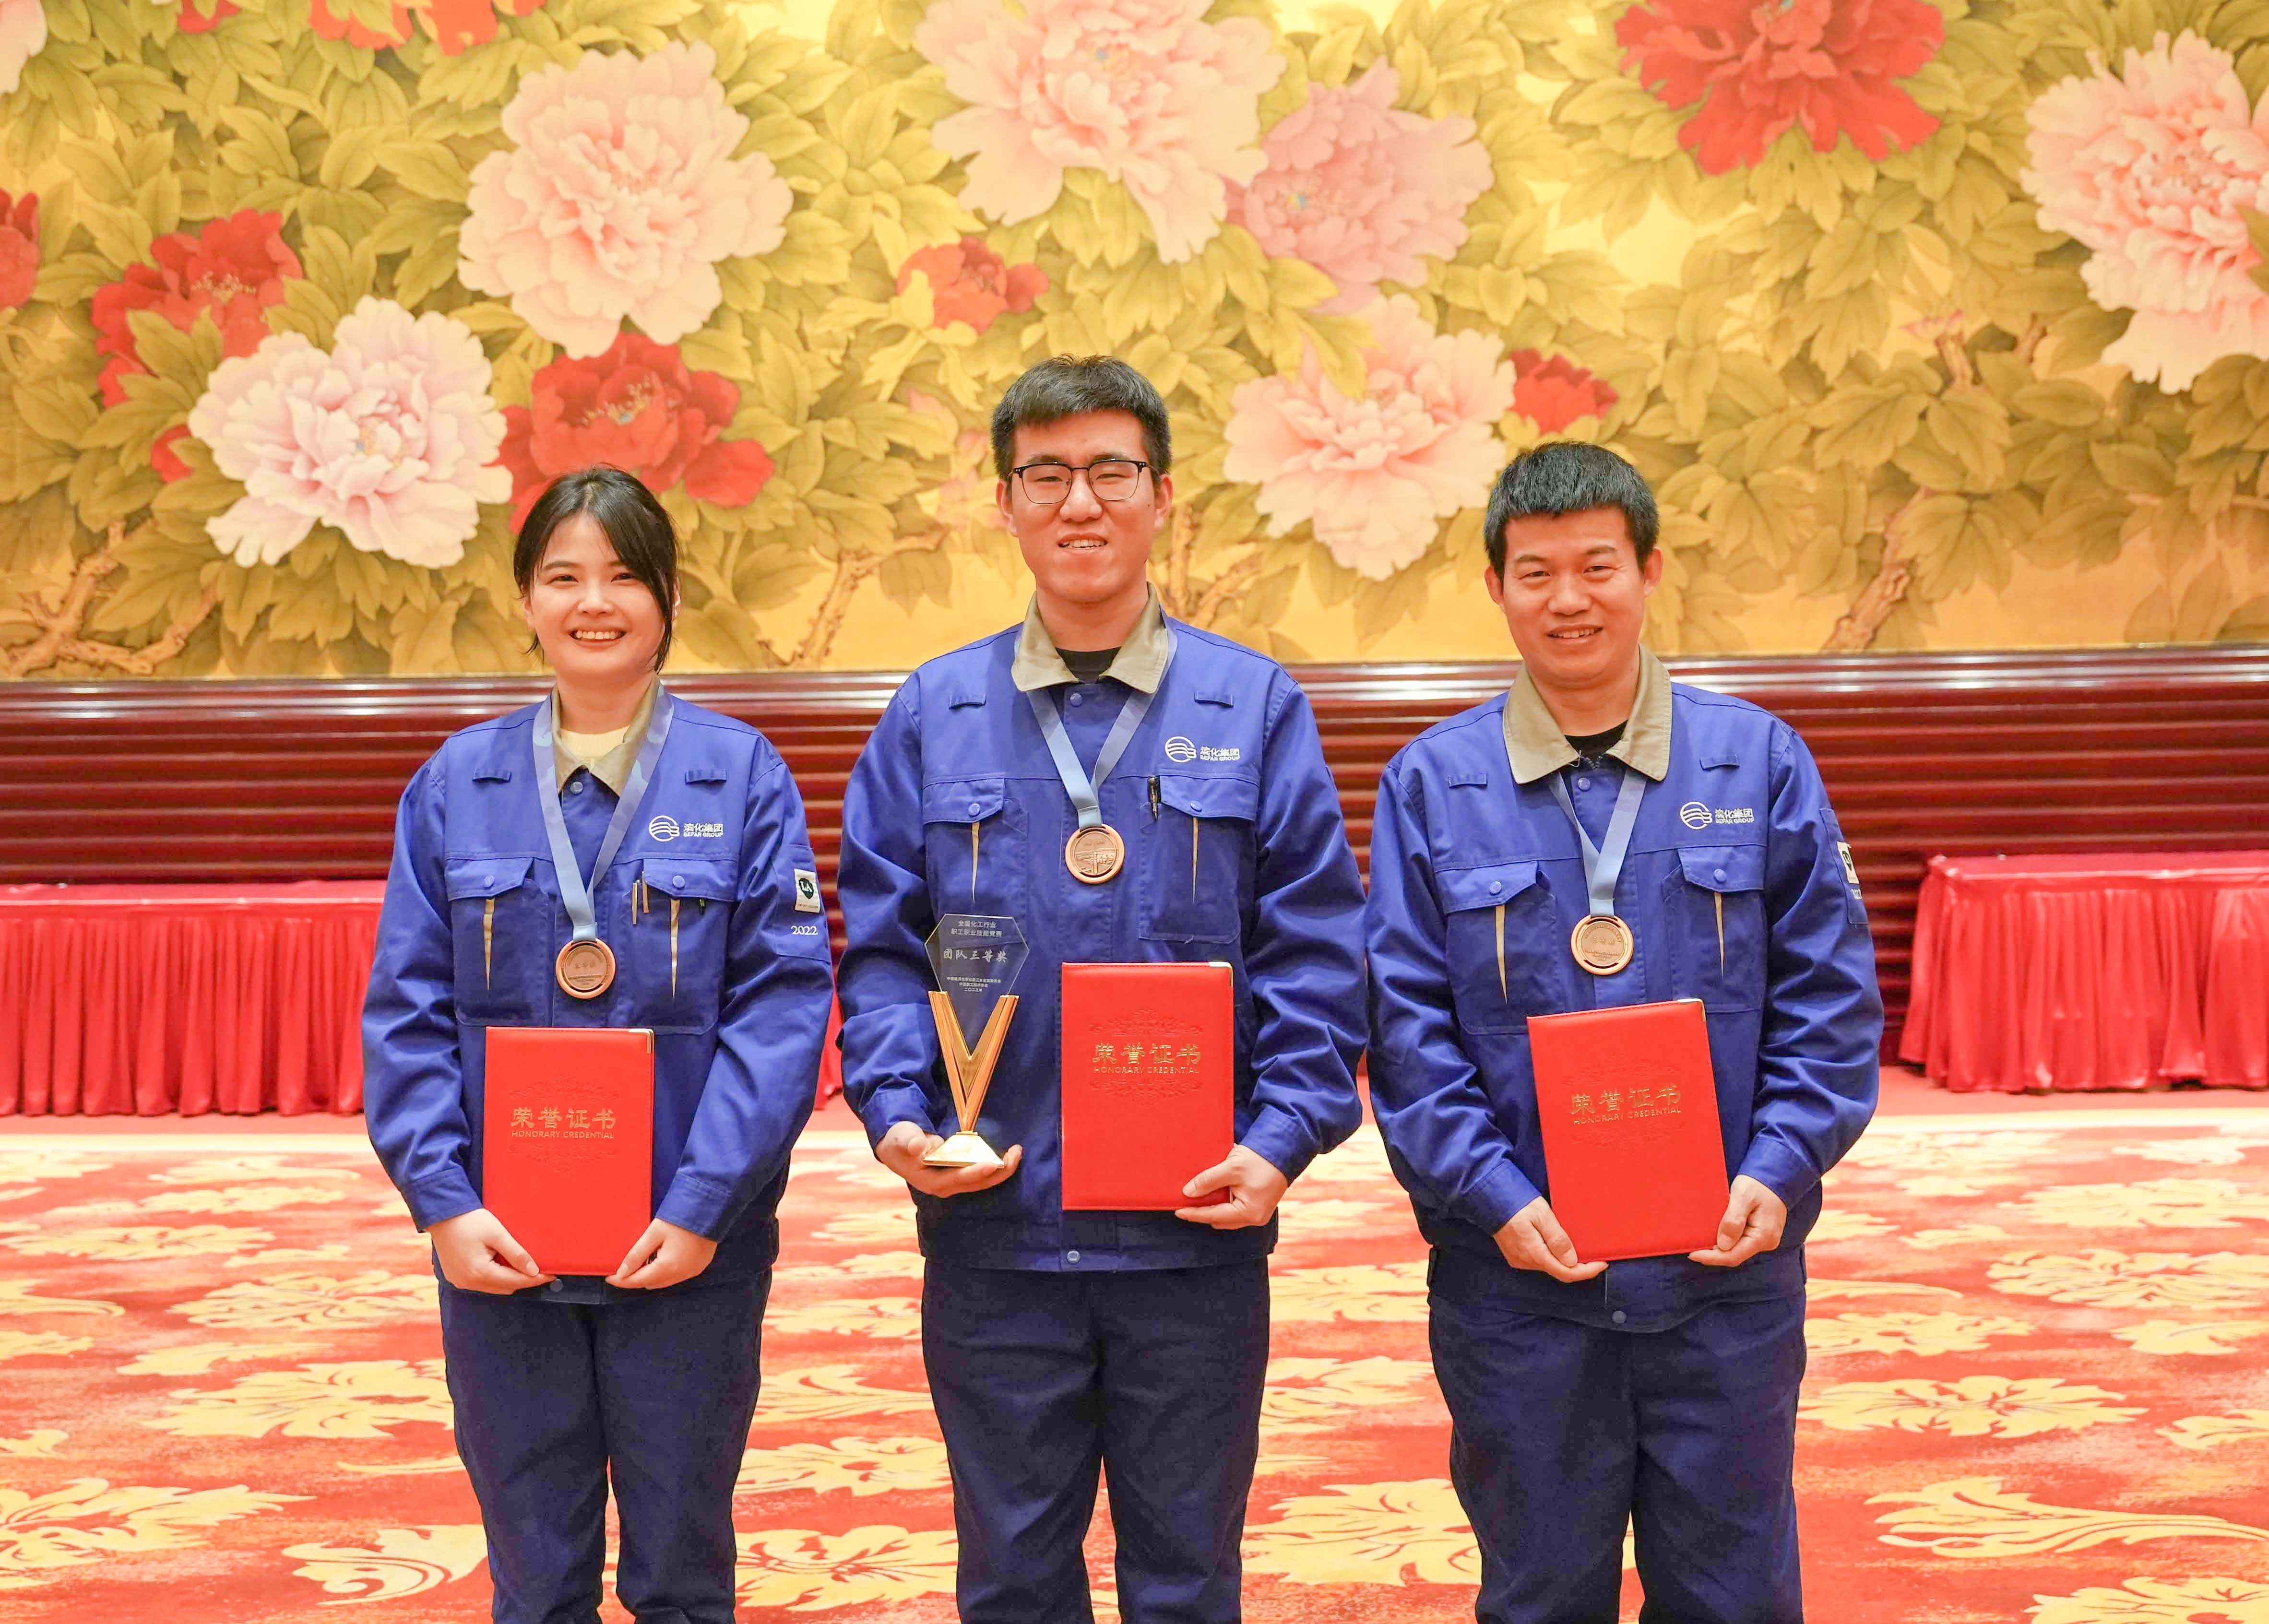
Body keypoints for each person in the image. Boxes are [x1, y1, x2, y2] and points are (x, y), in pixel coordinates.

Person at [835, 356, 1367, 1624]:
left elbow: (1312, 949)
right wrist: (901, 1115)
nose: (1081, 502)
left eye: (1111, 471)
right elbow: (885, 948)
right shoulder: (934, 711)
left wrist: (1280, 1141)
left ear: (1162, 495)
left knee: (1186, 1574)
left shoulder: (1252, 706)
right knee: (1012, 1574)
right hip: (997, 1227)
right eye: (1047, 475)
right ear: (1005, 503)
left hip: (1193, 1232)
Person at [1364, 442, 1880, 1623]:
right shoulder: (1431, 785)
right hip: (1518, 1281)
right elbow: (1405, 1030)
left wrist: (1778, 1165)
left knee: (1734, 1592)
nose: (1569, 599)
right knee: (1540, 1590)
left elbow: (1829, 1002)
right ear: (1495, 587)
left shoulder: (1757, 762)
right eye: (1536, 572)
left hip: (1725, 1274)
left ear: (1648, 571)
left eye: (1597, 566)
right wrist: (1492, 1195)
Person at [361, 466, 834, 1624]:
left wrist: (705, 1203)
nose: (593, 602)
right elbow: (407, 1008)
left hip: (684, 1248)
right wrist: (444, 1205)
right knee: (534, 1573)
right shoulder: (457, 783)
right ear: (526, 599)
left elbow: (781, 1009)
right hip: (504, 1252)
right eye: (563, 576)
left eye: (623, 576)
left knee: (681, 1564)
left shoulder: (741, 776)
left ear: (668, 599)